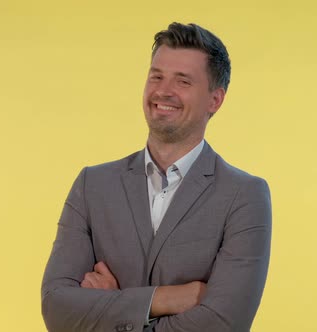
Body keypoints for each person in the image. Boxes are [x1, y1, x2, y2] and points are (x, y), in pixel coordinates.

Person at [41, 22, 272, 332]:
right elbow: (57, 308)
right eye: (157, 76)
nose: (163, 91)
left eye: (183, 81)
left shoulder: (245, 196)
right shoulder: (92, 185)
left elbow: (223, 323)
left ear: (215, 100)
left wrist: (113, 304)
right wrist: (165, 299)